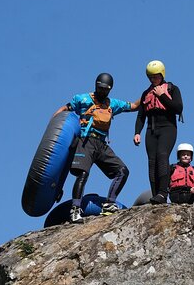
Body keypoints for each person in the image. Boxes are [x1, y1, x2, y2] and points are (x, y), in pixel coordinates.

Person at [52, 73, 140, 223]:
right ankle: (75, 209)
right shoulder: (83, 99)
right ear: (96, 86)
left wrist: (148, 93)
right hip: (85, 141)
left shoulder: (112, 104)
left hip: (101, 144)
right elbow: (65, 108)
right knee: (83, 174)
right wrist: (53, 127)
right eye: (100, 88)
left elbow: (134, 106)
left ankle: (110, 204)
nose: (102, 91)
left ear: (110, 90)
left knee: (122, 171)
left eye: (105, 89)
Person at [134, 60, 184, 205]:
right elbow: (141, 116)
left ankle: (163, 193)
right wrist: (137, 132)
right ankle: (156, 195)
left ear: (162, 75)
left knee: (162, 156)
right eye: (150, 77)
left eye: (155, 76)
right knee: (152, 162)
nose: (153, 79)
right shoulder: (145, 93)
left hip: (168, 128)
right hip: (151, 130)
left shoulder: (172, 89)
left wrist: (162, 95)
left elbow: (178, 108)